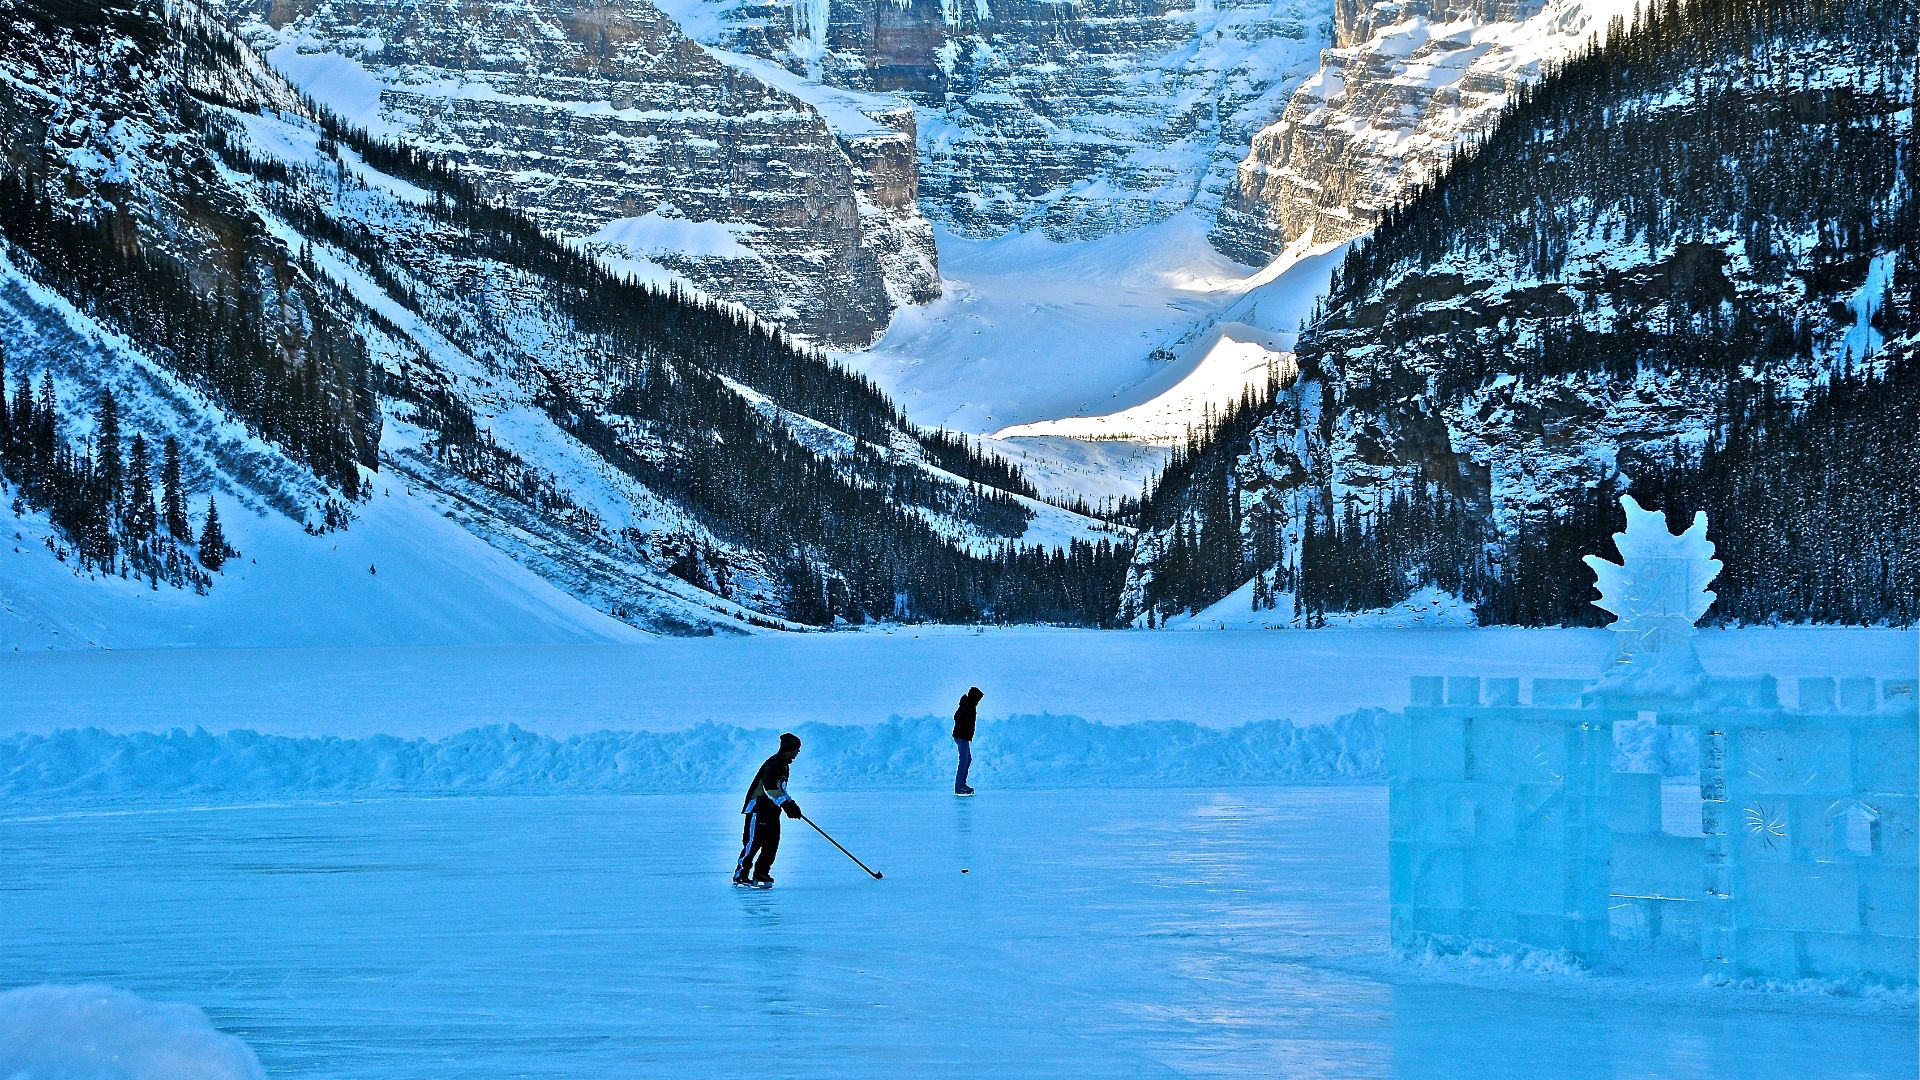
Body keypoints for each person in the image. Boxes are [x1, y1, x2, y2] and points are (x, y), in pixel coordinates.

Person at [734, 732, 804, 888]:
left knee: (772, 843)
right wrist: (786, 805)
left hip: (772, 810)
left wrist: (792, 804)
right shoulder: (774, 764)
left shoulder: (784, 766)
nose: (797, 753)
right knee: (753, 843)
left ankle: (761, 873)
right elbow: (770, 788)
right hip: (758, 808)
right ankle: (740, 875)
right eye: (796, 750)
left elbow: (780, 789)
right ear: (788, 749)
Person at [952, 686, 983, 795]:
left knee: (967, 759)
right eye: (978, 699)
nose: (979, 701)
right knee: (964, 760)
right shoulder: (967, 705)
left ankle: (961, 784)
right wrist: (963, 730)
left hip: (963, 736)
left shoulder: (969, 704)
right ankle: (959, 785)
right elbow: (957, 717)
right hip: (961, 736)